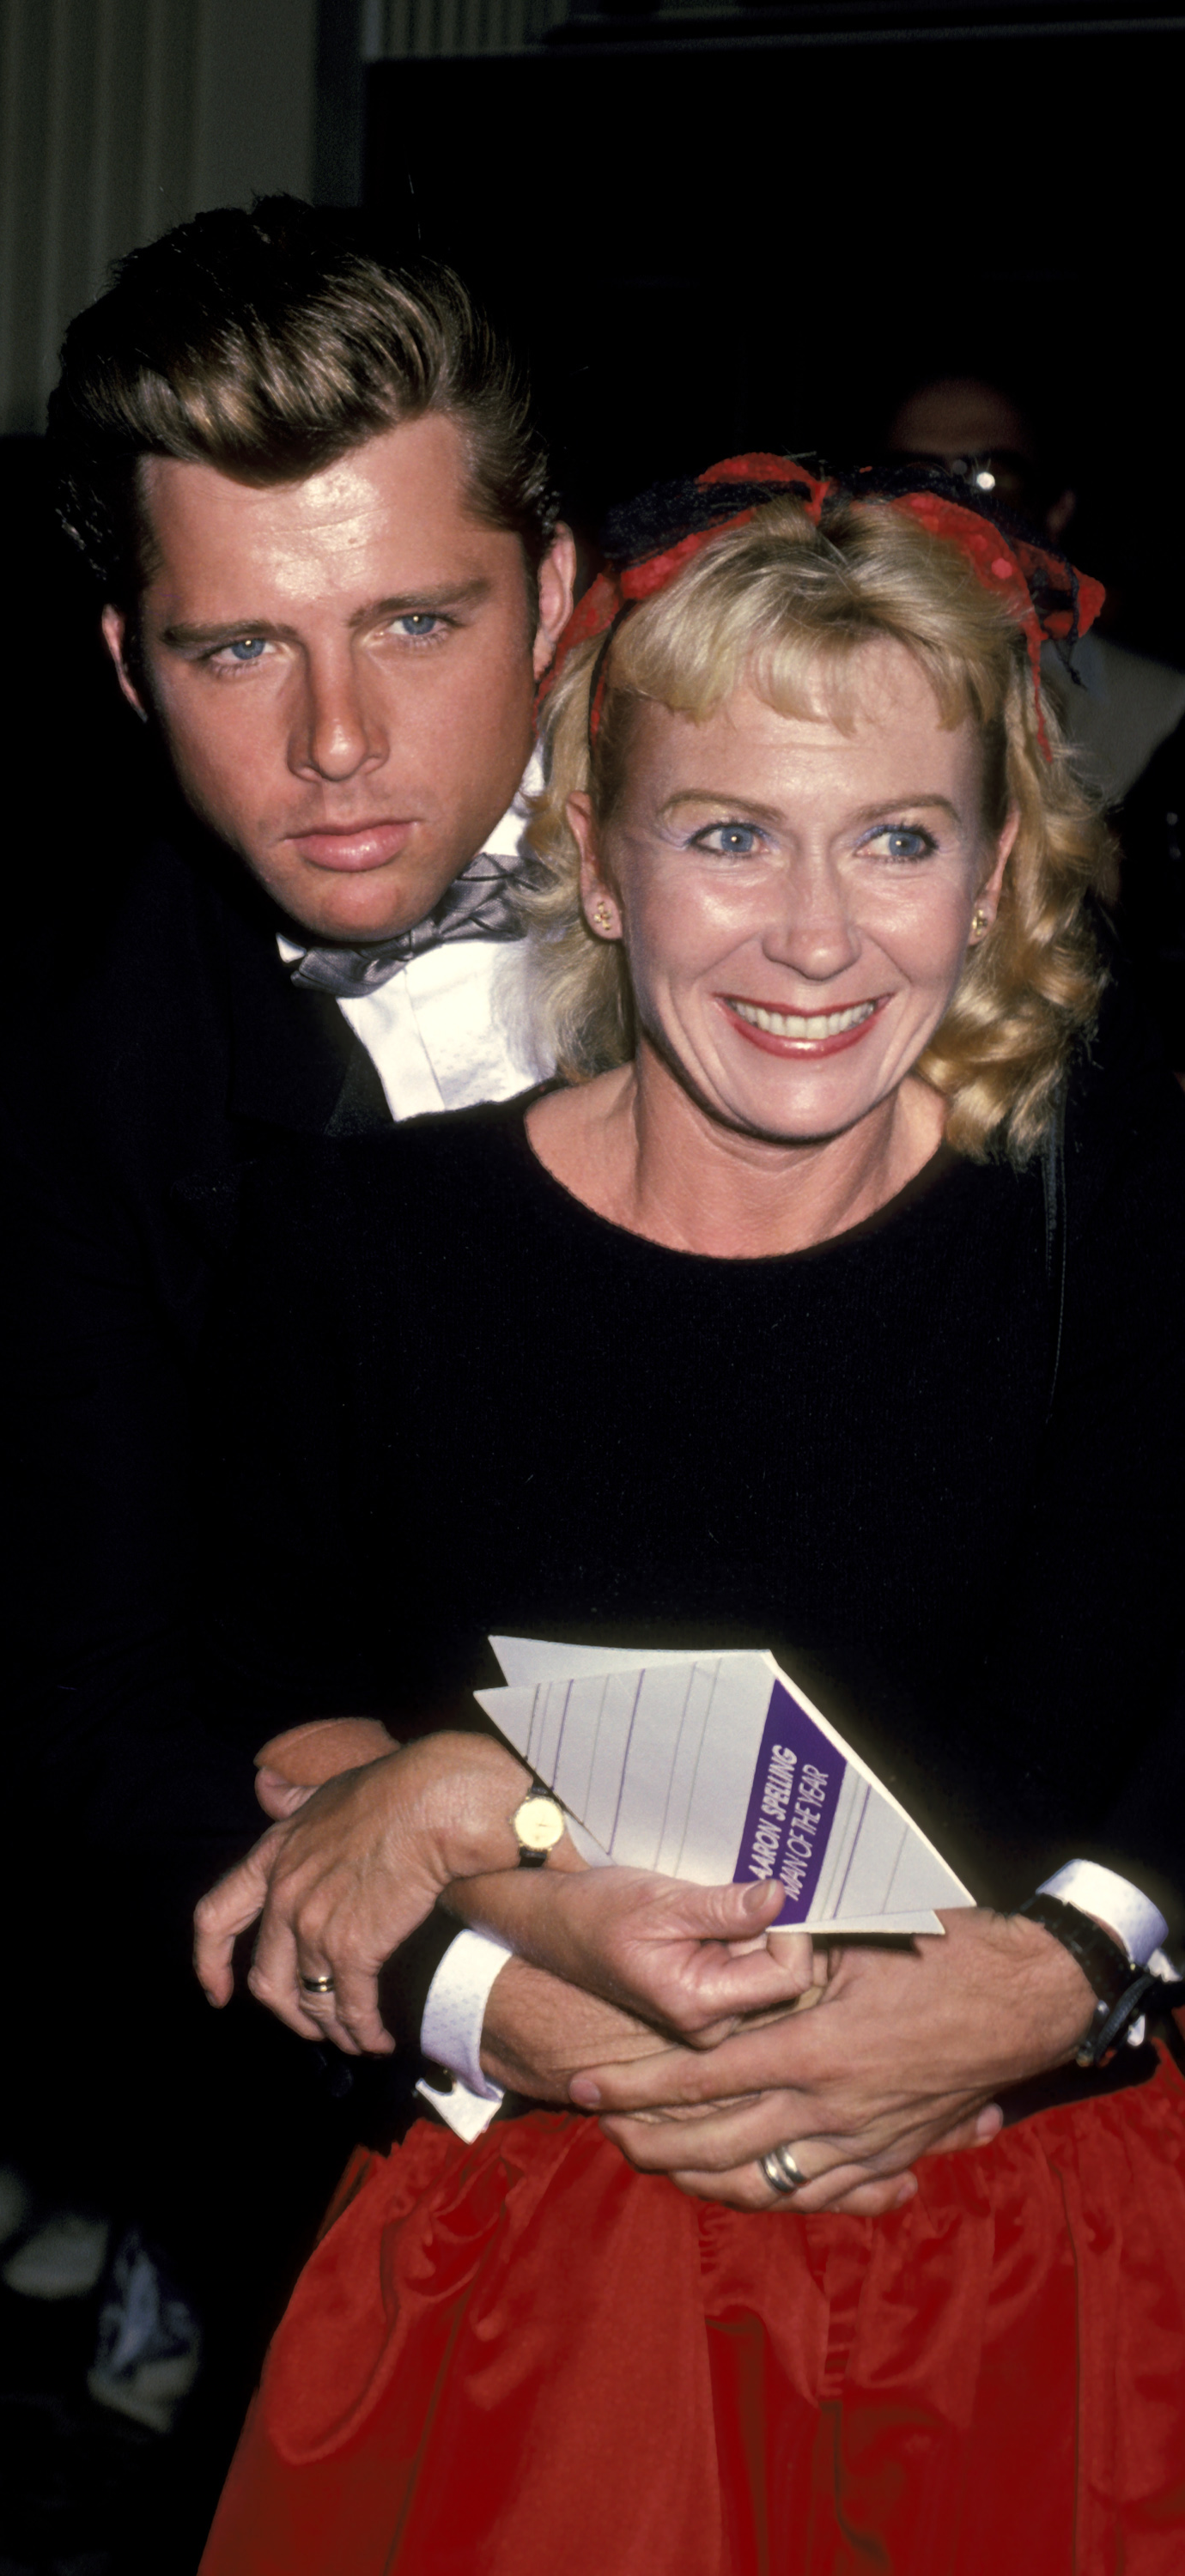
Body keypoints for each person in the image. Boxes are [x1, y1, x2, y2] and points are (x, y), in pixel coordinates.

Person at [192, 459, 1185, 2573]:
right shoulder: (365, 1248)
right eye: (726, 832)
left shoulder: (1101, 1213)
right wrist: (463, 1824)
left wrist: (1083, 1955)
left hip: (1045, 2270)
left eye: (893, 839)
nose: (813, 934)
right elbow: (243, 1728)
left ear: (994, 874)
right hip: (548, 2284)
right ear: (595, 856)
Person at [0, 199, 703, 2421]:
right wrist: (496, 1978)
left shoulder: (842, 890)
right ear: (122, 662)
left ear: (557, 594)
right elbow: (97, 1708)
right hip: (408, 2116)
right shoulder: (63, 1080)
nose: (337, 739)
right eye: (235, 651)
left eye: (413, 617)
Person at [886, 372, 1185, 806]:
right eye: (915, 481)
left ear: (1056, 513)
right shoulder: (802, 687)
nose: (953, 510)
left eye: (995, 482)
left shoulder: (1160, 711)